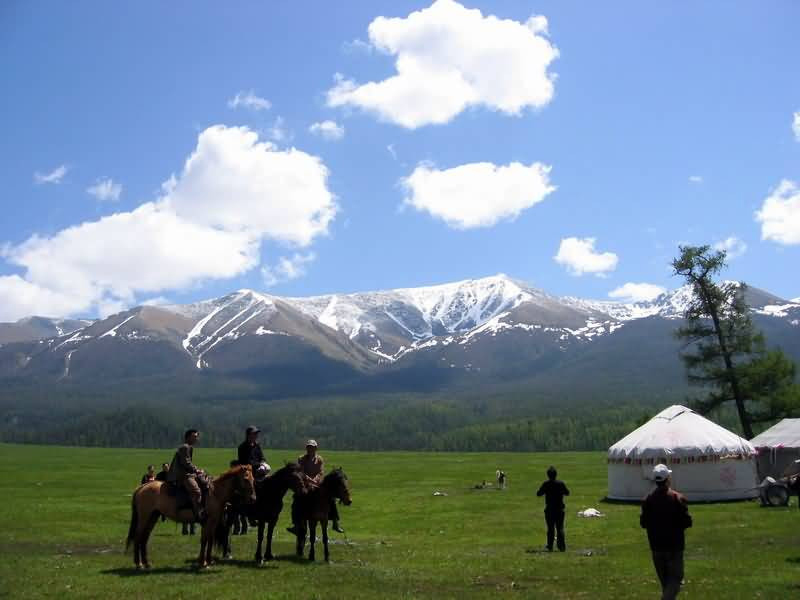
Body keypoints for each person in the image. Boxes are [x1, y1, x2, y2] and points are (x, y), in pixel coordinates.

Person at [640, 464, 692, 600]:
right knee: (675, 580)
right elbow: (687, 522)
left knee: (665, 582)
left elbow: (643, 523)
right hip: (675, 546)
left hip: (656, 546)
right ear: (668, 479)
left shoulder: (647, 500)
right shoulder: (678, 498)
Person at [287, 439, 344, 535]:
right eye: (309, 447)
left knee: (331, 498)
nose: (310, 449)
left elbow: (321, 472)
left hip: (317, 483)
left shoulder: (320, 459)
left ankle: (335, 522)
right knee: (297, 499)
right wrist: (309, 480)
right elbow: (301, 472)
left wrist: (316, 480)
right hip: (305, 483)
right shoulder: (301, 458)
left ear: (316, 448)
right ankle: (296, 524)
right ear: (306, 448)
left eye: (312, 447)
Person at [167, 429, 207, 523]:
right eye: (194, 437)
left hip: (186, 473)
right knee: (196, 491)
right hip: (182, 475)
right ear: (188, 437)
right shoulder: (185, 447)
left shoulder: (188, 447)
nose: (196, 439)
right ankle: (198, 513)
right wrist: (196, 470)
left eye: (197, 437)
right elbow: (186, 463)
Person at [536, 466, 569, 552]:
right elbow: (567, 493)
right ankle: (561, 546)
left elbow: (539, 494)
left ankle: (550, 546)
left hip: (550, 509)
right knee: (560, 528)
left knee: (550, 528)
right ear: (556, 475)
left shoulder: (546, 484)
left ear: (548, 475)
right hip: (559, 509)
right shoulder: (560, 483)